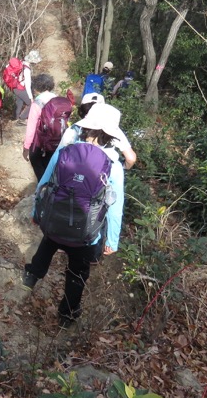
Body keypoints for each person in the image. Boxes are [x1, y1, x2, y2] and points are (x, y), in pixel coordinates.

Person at [22, 102, 126, 328]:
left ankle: (30, 277)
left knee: (48, 242)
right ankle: (67, 315)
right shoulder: (113, 165)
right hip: (86, 233)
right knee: (77, 272)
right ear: (110, 134)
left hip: (55, 222)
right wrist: (112, 241)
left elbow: (44, 183)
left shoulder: (65, 152)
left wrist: (35, 212)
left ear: (87, 127)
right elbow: (115, 207)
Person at [60, 92, 137, 169]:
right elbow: (131, 158)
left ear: (82, 110)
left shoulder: (75, 128)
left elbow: (59, 155)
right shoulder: (115, 131)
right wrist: (120, 167)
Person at [22, 73, 58, 180]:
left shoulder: (37, 102)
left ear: (37, 87)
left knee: (35, 160)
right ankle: (50, 188)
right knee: (50, 165)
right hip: (57, 138)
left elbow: (31, 127)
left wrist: (26, 147)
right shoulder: (58, 99)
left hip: (41, 140)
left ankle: (42, 189)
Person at [15, 50, 41, 124]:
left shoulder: (22, 62)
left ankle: (16, 119)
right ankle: (22, 119)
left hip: (15, 87)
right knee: (31, 104)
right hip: (20, 88)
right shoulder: (27, 69)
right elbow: (28, 85)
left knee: (19, 102)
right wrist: (31, 97)